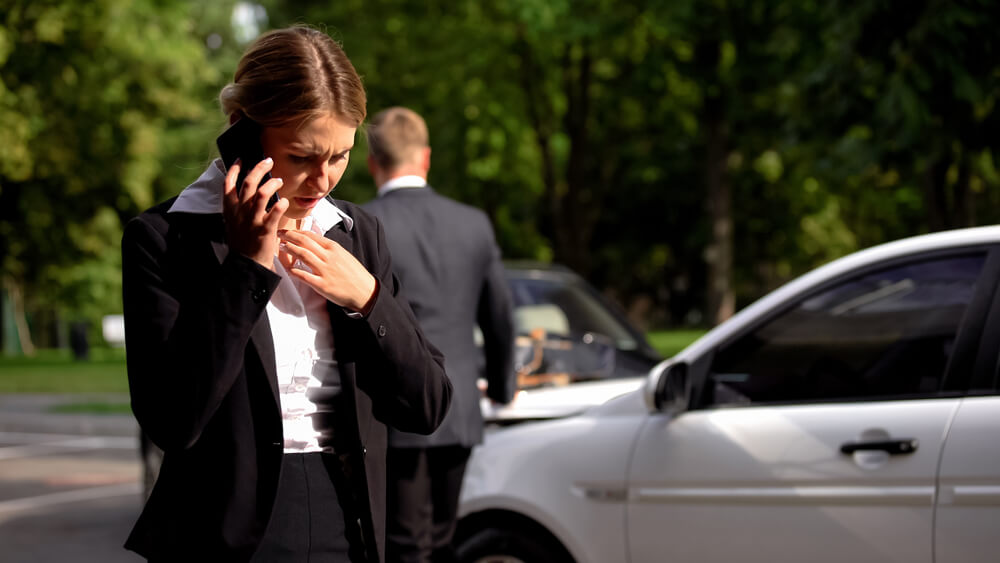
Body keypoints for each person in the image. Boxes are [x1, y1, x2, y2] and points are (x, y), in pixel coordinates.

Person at [121, 27, 452, 563]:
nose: (323, 181)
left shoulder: (358, 235)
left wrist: (369, 300)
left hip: (350, 519)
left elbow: (427, 405)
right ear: (242, 130)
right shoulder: (163, 238)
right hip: (222, 535)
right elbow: (173, 421)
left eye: (341, 156)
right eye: (302, 156)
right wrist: (247, 268)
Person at [362, 107, 515, 563]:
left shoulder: (365, 225)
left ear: (371, 163)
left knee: (403, 544)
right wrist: (503, 387)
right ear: (426, 157)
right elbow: (500, 316)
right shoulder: (473, 223)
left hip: (392, 409)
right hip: (460, 406)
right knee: (444, 541)